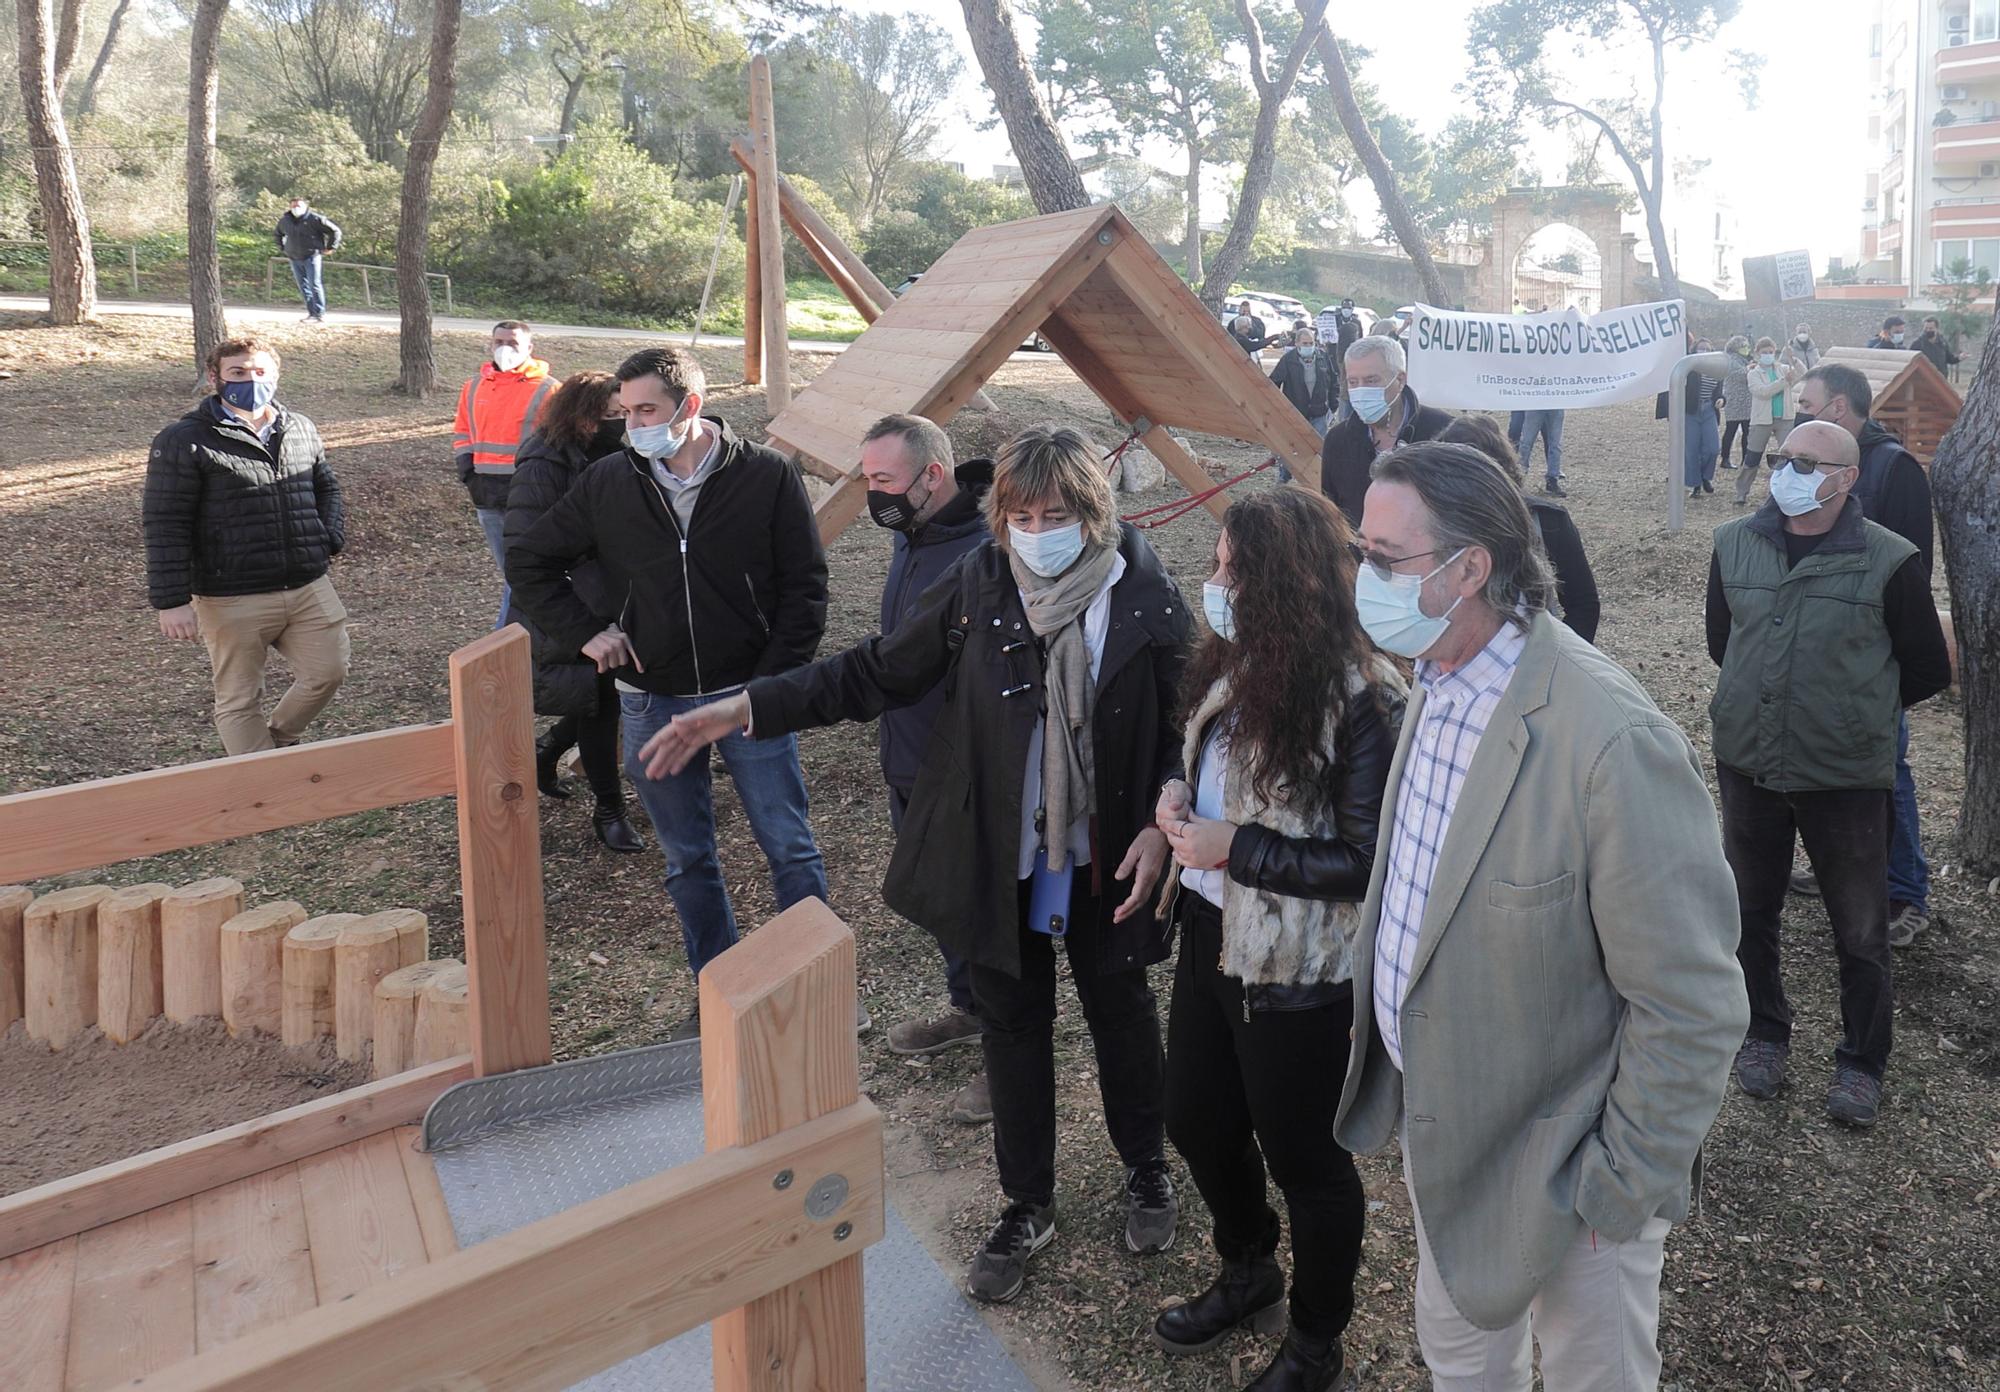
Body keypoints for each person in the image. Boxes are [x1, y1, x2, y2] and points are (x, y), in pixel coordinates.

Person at [638, 426, 1189, 1304]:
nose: (1038, 530)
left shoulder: (1141, 593)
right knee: (1011, 1026)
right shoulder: (981, 581)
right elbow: (876, 673)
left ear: (1094, 513)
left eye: (1057, 514)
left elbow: (1179, 723)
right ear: (999, 517)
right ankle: (1027, 1202)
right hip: (997, 852)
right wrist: (745, 708)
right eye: (1020, 514)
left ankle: (1147, 1168)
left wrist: (1168, 813)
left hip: (1104, 853)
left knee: (1120, 1011)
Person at [1338, 441, 1747, 1391]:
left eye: (1385, 559)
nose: (1364, 578)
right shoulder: (1433, 679)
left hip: (1576, 1174)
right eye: (1363, 551)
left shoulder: (1610, 741)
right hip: (1451, 1138)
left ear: (1469, 569)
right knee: (1463, 1365)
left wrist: (1620, 1185)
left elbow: (1691, 1004)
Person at [1149, 489, 1403, 1392]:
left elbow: (1367, 860)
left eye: (1230, 567)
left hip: (1300, 971)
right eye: (1218, 563)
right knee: (1193, 1117)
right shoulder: (1236, 663)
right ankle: (1248, 1266)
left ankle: (1315, 1343)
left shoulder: (1361, 696)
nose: (1215, 581)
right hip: (1213, 936)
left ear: (1283, 582)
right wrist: (1179, 803)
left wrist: (1238, 848)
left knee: (1307, 1162)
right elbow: (1218, 783)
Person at [507, 345, 832, 1036]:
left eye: (647, 410)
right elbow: (531, 558)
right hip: (651, 700)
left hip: (745, 694)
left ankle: (817, 981)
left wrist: (770, 684)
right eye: (625, 413)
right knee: (687, 857)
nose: (633, 426)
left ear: (689, 405)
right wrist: (585, 632)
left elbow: (805, 588)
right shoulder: (608, 483)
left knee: (789, 845)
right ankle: (717, 987)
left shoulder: (767, 475)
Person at [1706, 422, 1951, 1127]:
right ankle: (1763, 1033)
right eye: (1783, 458)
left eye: (1807, 462)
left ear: (1846, 478)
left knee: (1860, 928)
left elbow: (1927, 668)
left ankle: (1861, 1062)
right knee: (1750, 911)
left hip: (1843, 775)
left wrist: (1851, 713)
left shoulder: (1888, 560)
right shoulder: (1733, 544)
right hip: (1750, 761)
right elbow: (1725, 641)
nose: (1788, 470)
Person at [861, 413, 998, 1127]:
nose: (872, 495)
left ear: (933, 477)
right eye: (867, 479)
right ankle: (967, 1009)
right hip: (906, 755)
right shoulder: (913, 533)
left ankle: (1006, 1061)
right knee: (943, 907)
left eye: (883, 481)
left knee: (981, 915)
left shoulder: (981, 551)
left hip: (959, 771)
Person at [144, 336, 349, 755]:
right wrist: (171, 600)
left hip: (307, 585)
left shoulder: (300, 427)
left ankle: (274, 742)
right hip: (231, 595)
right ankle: (261, 795)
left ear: (275, 375)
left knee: (328, 671)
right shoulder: (184, 439)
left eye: (259, 371)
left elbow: (326, 486)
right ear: (214, 377)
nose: (250, 380)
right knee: (240, 698)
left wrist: (327, 537)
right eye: (237, 372)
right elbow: (165, 520)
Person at [1795, 364, 1938, 944]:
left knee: (1886, 774)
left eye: (1806, 402)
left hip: (1872, 657)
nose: (1798, 410)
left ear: (1837, 409)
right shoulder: (1807, 461)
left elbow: (1912, 573)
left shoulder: (1896, 469)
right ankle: (1842, 868)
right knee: (1824, 769)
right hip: (1816, 654)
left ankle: (1905, 893)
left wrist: (1889, 668)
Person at [504, 369, 644, 854]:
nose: (619, 424)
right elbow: (526, 547)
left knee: (607, 695)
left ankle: (550, 748)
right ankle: (610, 809)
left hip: (618, 595)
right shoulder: (544, 463)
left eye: (623, 414)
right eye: (608, 416)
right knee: (599, 700)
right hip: (570, 603)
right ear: (580, 416)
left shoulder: (627, 454)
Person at [1437, 414, 1599, 642]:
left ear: (1499, 472)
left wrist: (1556, 661)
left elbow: (1583, 604)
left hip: (1535, 662)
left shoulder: (1546, 522)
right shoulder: (1431, 524)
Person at [454, 321, 553, 630]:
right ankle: (524, 630)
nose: (505, 348)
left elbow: (555, 441)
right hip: (486, 493)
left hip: (527, 493)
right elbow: (462, 430)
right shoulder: (474, 386)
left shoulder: (548, 388)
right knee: (511, 571)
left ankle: (507, 634)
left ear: (529, 348)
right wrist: (467, 471)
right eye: (499, 341)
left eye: (513, 342)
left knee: (521, 569)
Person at [1318, 334, 1451, 527]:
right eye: (1353, 382)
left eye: (1371, 380)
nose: (1361, 391)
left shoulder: (1442, 432)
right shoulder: (1337, 441)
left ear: (1400, 379)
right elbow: (1331, 516)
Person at [1734, 337, 1804, 506]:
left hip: (1785, 417)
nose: (1768, 355)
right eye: (1764, 352)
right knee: (1753, 457)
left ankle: (1782, 491)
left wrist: (1793, 358)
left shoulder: (1784, 368)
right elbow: (1763, 392)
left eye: (1771, 352)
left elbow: (1802, 373)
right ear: (1758, 354)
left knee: (1786, 456)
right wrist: (1783, 381)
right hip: (1762, 420)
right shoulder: (1753, 373)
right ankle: (1741, 492)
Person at [274, 196, 341, 324]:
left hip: (312, 256)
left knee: (314, 285)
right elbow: (277, 234)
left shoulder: (315, 219)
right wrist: (283, 248)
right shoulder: (285, 220)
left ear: (305, 206)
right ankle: (311, 313)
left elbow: (335, 231)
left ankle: (319, 313)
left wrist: (331, 247)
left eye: (298, 205)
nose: (296, 208)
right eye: (293, 206)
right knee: (303, 287)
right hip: (294, 258)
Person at [1269, 327, 1338, 440]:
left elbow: (1333, 381)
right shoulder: (1288, 360)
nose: (1308, 346)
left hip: (1319, 411)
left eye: (1311, 343)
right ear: (1297, 343)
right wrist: (1280, 408)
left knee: (1318, 447)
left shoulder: (1323, 357)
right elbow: (1273, 383)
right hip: (1296, 413)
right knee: (1297, 444)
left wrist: (1333, 405)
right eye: (1305, 343)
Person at [1684, 337, 1723, 500]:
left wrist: (1721, 400)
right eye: (1701, 349)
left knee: (1713, 448)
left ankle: (1706, 476)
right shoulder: (1688, 368)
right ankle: (1695, 484)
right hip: (1690, 412)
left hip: (1709, 410)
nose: (1704, 352)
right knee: (1692, 450)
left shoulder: (1716, 370)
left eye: (1707, 349)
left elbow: (1719, 392)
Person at [1512, 408, 1567, 496]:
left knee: (1555, 445)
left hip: (1554, 407)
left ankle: (1552, 480)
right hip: (1536, 406)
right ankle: (1520, 476)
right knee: (1526, 443)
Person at [1718, 335, 1753, 472]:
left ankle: (1746, 458)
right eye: (1744, 346)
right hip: (1734, 400)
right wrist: (1750, 368)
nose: (1746, 349)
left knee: (1747, 431)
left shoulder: (1744, 360)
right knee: (1731, 429)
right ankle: (1725, 458)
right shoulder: (1731, 360)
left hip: (1746, 400)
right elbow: (1739, 375)